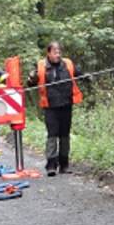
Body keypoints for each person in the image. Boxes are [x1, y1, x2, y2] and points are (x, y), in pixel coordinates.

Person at [27, 41, 84, 176]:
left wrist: (85, 77)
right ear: (48, 53)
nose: (57, 55)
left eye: (59, 52)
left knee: (65, 136)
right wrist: (31, 78)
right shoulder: (40, 66)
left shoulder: (68, 64)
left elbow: (78, 73)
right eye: (55, 52)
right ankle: (51, 165)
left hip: (66, 104)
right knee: (52, 135)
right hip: (50, 107)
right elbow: (30, 83)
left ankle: (64, 165)